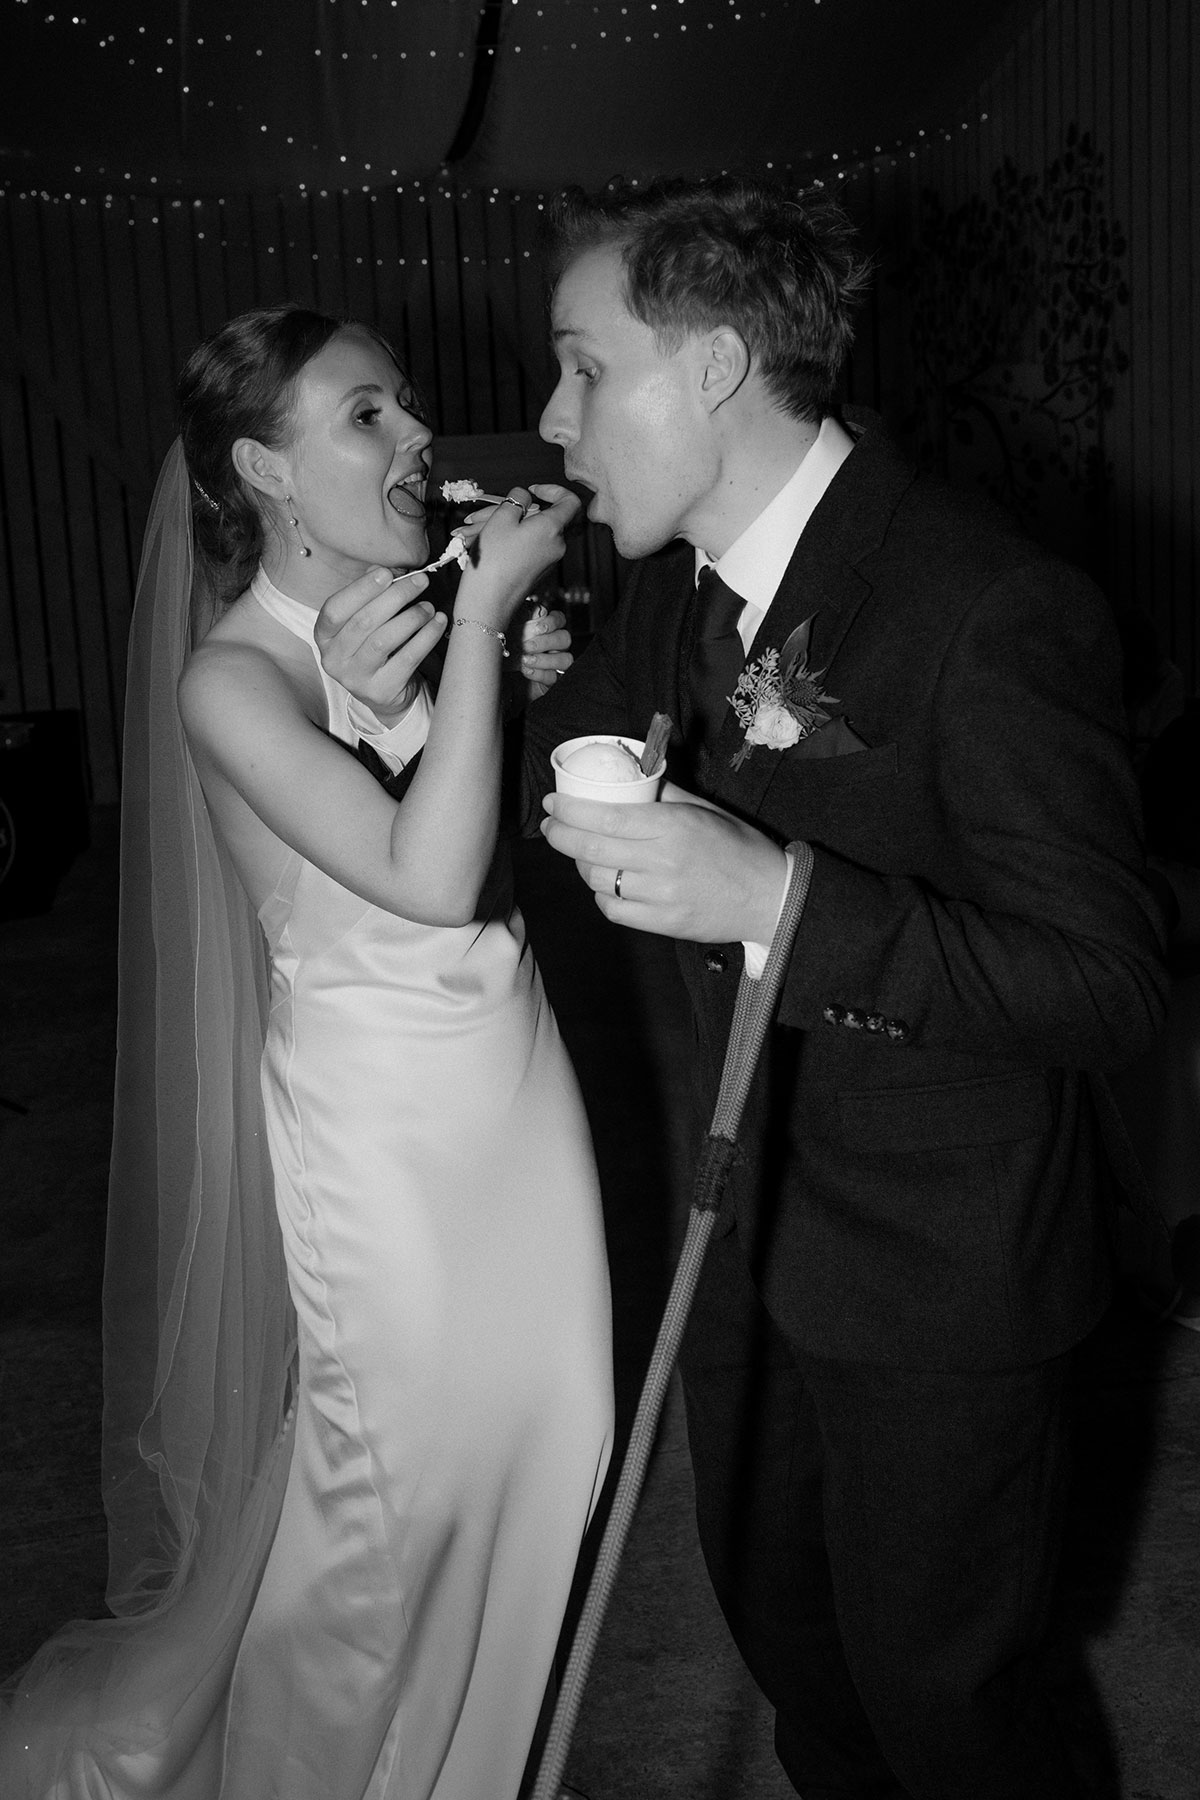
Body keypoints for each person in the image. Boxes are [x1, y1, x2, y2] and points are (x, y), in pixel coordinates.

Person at [515, 176, 1167, 1799]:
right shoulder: (676, 586)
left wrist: (784, 902)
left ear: (718, 365)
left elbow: (1104, 985)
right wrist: (461, 677)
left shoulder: (988, 606)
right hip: (745, 1250)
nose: (551, 416)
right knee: (801, 1664)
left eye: (585, 367)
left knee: (955, 1717)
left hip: (947, 1280)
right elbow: (567, 755)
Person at [0, 304, 613, 1800]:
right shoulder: (231, 680)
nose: (418, 438)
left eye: (405, 408)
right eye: (368, 418)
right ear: (265, 471)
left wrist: (489, 662)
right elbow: (424, 873)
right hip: (381, 1139)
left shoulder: (401, 611)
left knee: (557, 1436)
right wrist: (475, 638)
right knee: (392, 1513)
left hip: (508, 1086)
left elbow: (448, 792)